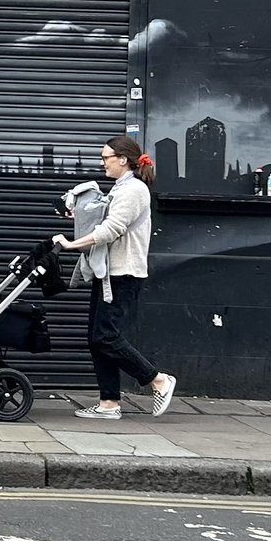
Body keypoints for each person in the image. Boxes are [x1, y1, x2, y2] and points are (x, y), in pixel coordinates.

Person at [52, 135, 177, 419]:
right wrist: (75, 216)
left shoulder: (133, 190)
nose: (101, 162)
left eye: (105, 157)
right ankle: (109, 403)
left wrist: (72, 244)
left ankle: (157, 380)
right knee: (97, 339)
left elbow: (112, 229)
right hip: (110, 272)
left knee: (106, 337)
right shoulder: (120, 189)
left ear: (122, 159)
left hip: (123, 274)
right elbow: (104, 220)